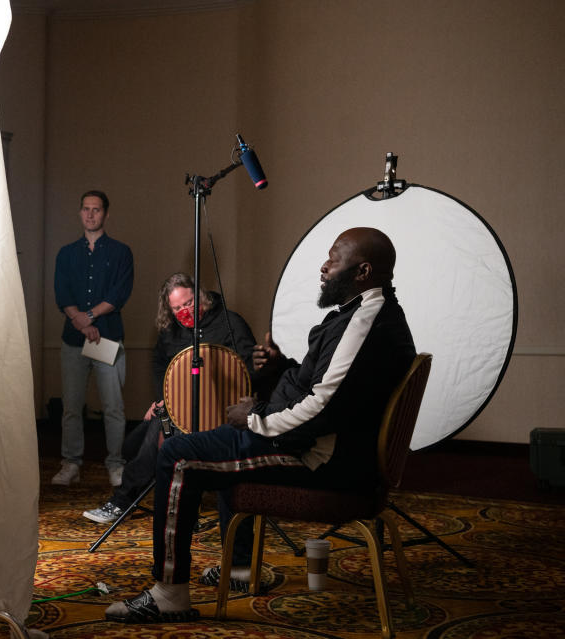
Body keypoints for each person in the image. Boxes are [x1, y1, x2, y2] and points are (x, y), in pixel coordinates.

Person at [105, 227, 416, 623]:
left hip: (322, 461)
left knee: (179, 456)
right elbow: (321, 385)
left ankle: (169, 593)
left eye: (334, 259)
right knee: (213, 444)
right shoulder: (368, 312)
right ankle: (238, 569)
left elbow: (322, 407)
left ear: (363, 271)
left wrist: (255, 419)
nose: (324, 266)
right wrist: (280, 367)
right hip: (318, 446)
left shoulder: (366, 321)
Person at [82, 272, 258, 524]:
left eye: (188, 304)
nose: (184, 311)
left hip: (221, 412)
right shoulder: (170, 331)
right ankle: (123, 502)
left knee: (158, 431)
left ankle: (129, 502)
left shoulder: (231, 322)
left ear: (200, 296)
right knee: (158, 425)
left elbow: (249, 369)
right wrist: (162, 398)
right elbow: (160, 366)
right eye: (177, 308)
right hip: (179, 410)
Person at [52, 190, 134, 487]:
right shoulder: (66, 253)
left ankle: (115, 464)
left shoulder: (121, 252)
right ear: (80, 213)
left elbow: (119, 294)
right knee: (72, 406)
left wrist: (90, 317)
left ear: (106, 214)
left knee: (113, 406)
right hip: (74, 339)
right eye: (85, 209)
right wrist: (83, 322)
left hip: (107, 338)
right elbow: (62, 294)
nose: (90, 214)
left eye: (96, 210)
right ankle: (71, 463)